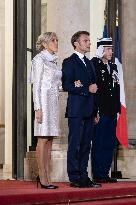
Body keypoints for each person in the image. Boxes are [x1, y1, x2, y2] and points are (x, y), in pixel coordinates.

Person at [62, 31, 101, 188]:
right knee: (75, 144)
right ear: (76, 44)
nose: (89, 43)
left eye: (89, 40)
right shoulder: (69, 62)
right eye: (85, 40)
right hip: (76, 110)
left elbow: (95, 88)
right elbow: (67, 85)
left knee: (86, 145)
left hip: (89, 110)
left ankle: (84, 176)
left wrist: (96, 110)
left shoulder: (90, 62)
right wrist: (85, 89)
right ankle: (74, 177)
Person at [29, 32, 62, 189]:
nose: (56, 42)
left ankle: (48, 175)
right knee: (42, 139)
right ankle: (42, 176)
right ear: (44, 44)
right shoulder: (39, 60)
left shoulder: (54, 61)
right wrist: (38, 108)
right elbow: (36, 85)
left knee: (49, 139)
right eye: (53, 40)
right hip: (43, 104)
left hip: (53, 104)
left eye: (56, 40)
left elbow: (57, 84)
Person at [91, 38, 121, 183]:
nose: (111, 52)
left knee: (109, 143)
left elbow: (116, 89)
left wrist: (117, 109)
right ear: (101, 50)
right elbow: (94, 90)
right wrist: (94, 109)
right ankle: (97, 173)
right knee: (99, 142)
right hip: (100, 110)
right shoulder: (94, 65)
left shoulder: (114, 66)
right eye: (108, 49)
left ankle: (105, 172)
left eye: (111, 49)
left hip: (111, 111)